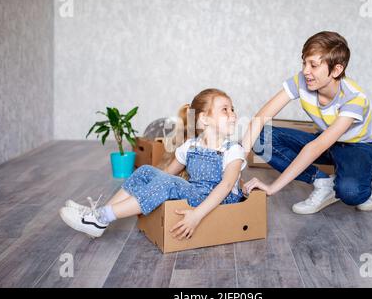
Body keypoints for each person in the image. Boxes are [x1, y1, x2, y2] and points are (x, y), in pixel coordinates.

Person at [60, 88, 247, 239]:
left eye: (232, 109)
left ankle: (101, 216)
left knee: (167, 182)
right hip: (196, 193)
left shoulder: (232, 150)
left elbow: (226, 185)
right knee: (146, 170)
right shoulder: (191, 146)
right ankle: (100, 217)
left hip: (219, 199)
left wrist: (196, 215)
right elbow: (167, 172)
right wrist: (151, 182)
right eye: (225, 109)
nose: (233, 114)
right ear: (204, 119)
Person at [242, 31, 372, 214]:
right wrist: (238, 161)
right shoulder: (302, 80)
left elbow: (315, 148)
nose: (306, 71)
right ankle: (323, 183)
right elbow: (261, 117)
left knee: (350, 193)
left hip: (358, 146)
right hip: (327, 141)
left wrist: (272, 187)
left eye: (313, 65)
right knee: (261, 139)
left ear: (336, 70)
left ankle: (364, 180)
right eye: (304, 63)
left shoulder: (354, 99)